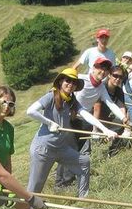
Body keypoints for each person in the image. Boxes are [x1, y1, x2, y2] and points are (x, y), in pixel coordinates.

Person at [11, 68, 104, 209]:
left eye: (73, 82)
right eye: (67, 80)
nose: (70, 84)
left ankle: (83, 200)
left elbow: (87, 115)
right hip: (43, 149)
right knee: (34, 187)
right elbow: (30, 111)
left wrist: (104, 130)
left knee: (84, 161)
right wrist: (48, 123)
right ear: (60, 81)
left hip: (60, 148)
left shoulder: (72, 101)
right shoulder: (51, 96)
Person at [54, 57, 126, 194]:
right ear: (93, 68)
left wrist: (123, 118)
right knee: (67, 150)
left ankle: (68, 179)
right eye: (100, 68)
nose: (103, 72)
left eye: (106, 69)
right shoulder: (80, 79)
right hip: (69, 120)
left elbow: (110, 103)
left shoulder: (101, 88)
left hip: (85, 121)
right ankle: (60, 183)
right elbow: (61, 88)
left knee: (75, 152)